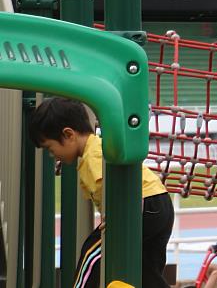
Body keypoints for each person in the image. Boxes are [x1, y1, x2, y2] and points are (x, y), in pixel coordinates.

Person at [28, 98, 174, 288]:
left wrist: (115, 214)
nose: (51, 154)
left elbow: (115, 184)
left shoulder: (94, 155)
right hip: (158, 204)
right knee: (146, 272)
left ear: (68, 134)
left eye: (50, 147)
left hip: (142, 204)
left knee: (92, 252)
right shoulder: (96, 149)